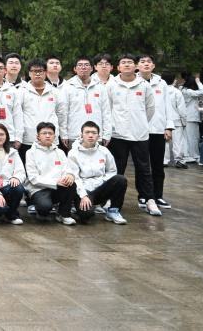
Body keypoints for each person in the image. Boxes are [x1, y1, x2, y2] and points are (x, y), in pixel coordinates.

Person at [105, 53, 159, 216]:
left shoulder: (144, 85)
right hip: (118, 134)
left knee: (144, 169)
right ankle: (111, 199)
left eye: (130, 62)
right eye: (123, 62)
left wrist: (140, 122)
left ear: (135, 66)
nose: (127, 65)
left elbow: (150, 109)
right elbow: (107, 109)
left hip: (139, 134)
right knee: (117, 169)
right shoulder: (111, 85)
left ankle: (149, 199)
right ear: (118, 67)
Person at [67, 121, 129, 224]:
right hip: (84, 190)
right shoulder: (73, 153)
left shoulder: (104, 151)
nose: (90, 135)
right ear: (81, 135)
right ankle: (78, 205)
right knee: (86, 215)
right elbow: (75, 177)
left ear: (98, 136)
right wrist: (83, 196)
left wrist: (102, 182)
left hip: (100, 188)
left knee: (120, 179)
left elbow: (112, 171)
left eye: (94, 133)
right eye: (87, 132)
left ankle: (113, 211)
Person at [137, 54, 177, 209]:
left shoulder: (161, 83)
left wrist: (168, 126)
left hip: (158, 130)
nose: (146, 64)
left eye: (149, 62)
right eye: (142, 62)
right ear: (137, 66)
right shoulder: (134, 81)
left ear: (153, 66)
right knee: (142, 166)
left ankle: (158, 196)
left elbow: (167, 106)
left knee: (158, 165)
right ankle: (143, 196)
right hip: (140, 130)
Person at [24, 122, 76, 225]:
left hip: (57, 187)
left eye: (50, 133)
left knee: (71, 183)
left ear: (54, 136)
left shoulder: (60, 152)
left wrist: (70, 175)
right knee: (44, 208)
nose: (47, 136)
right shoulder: (30, 153)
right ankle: (37, 206)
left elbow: (66, 169)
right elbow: (33, 178)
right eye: (44, 133)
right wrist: (56, 182)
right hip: (39, 188)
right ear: (38, 136)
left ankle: (64, 214)